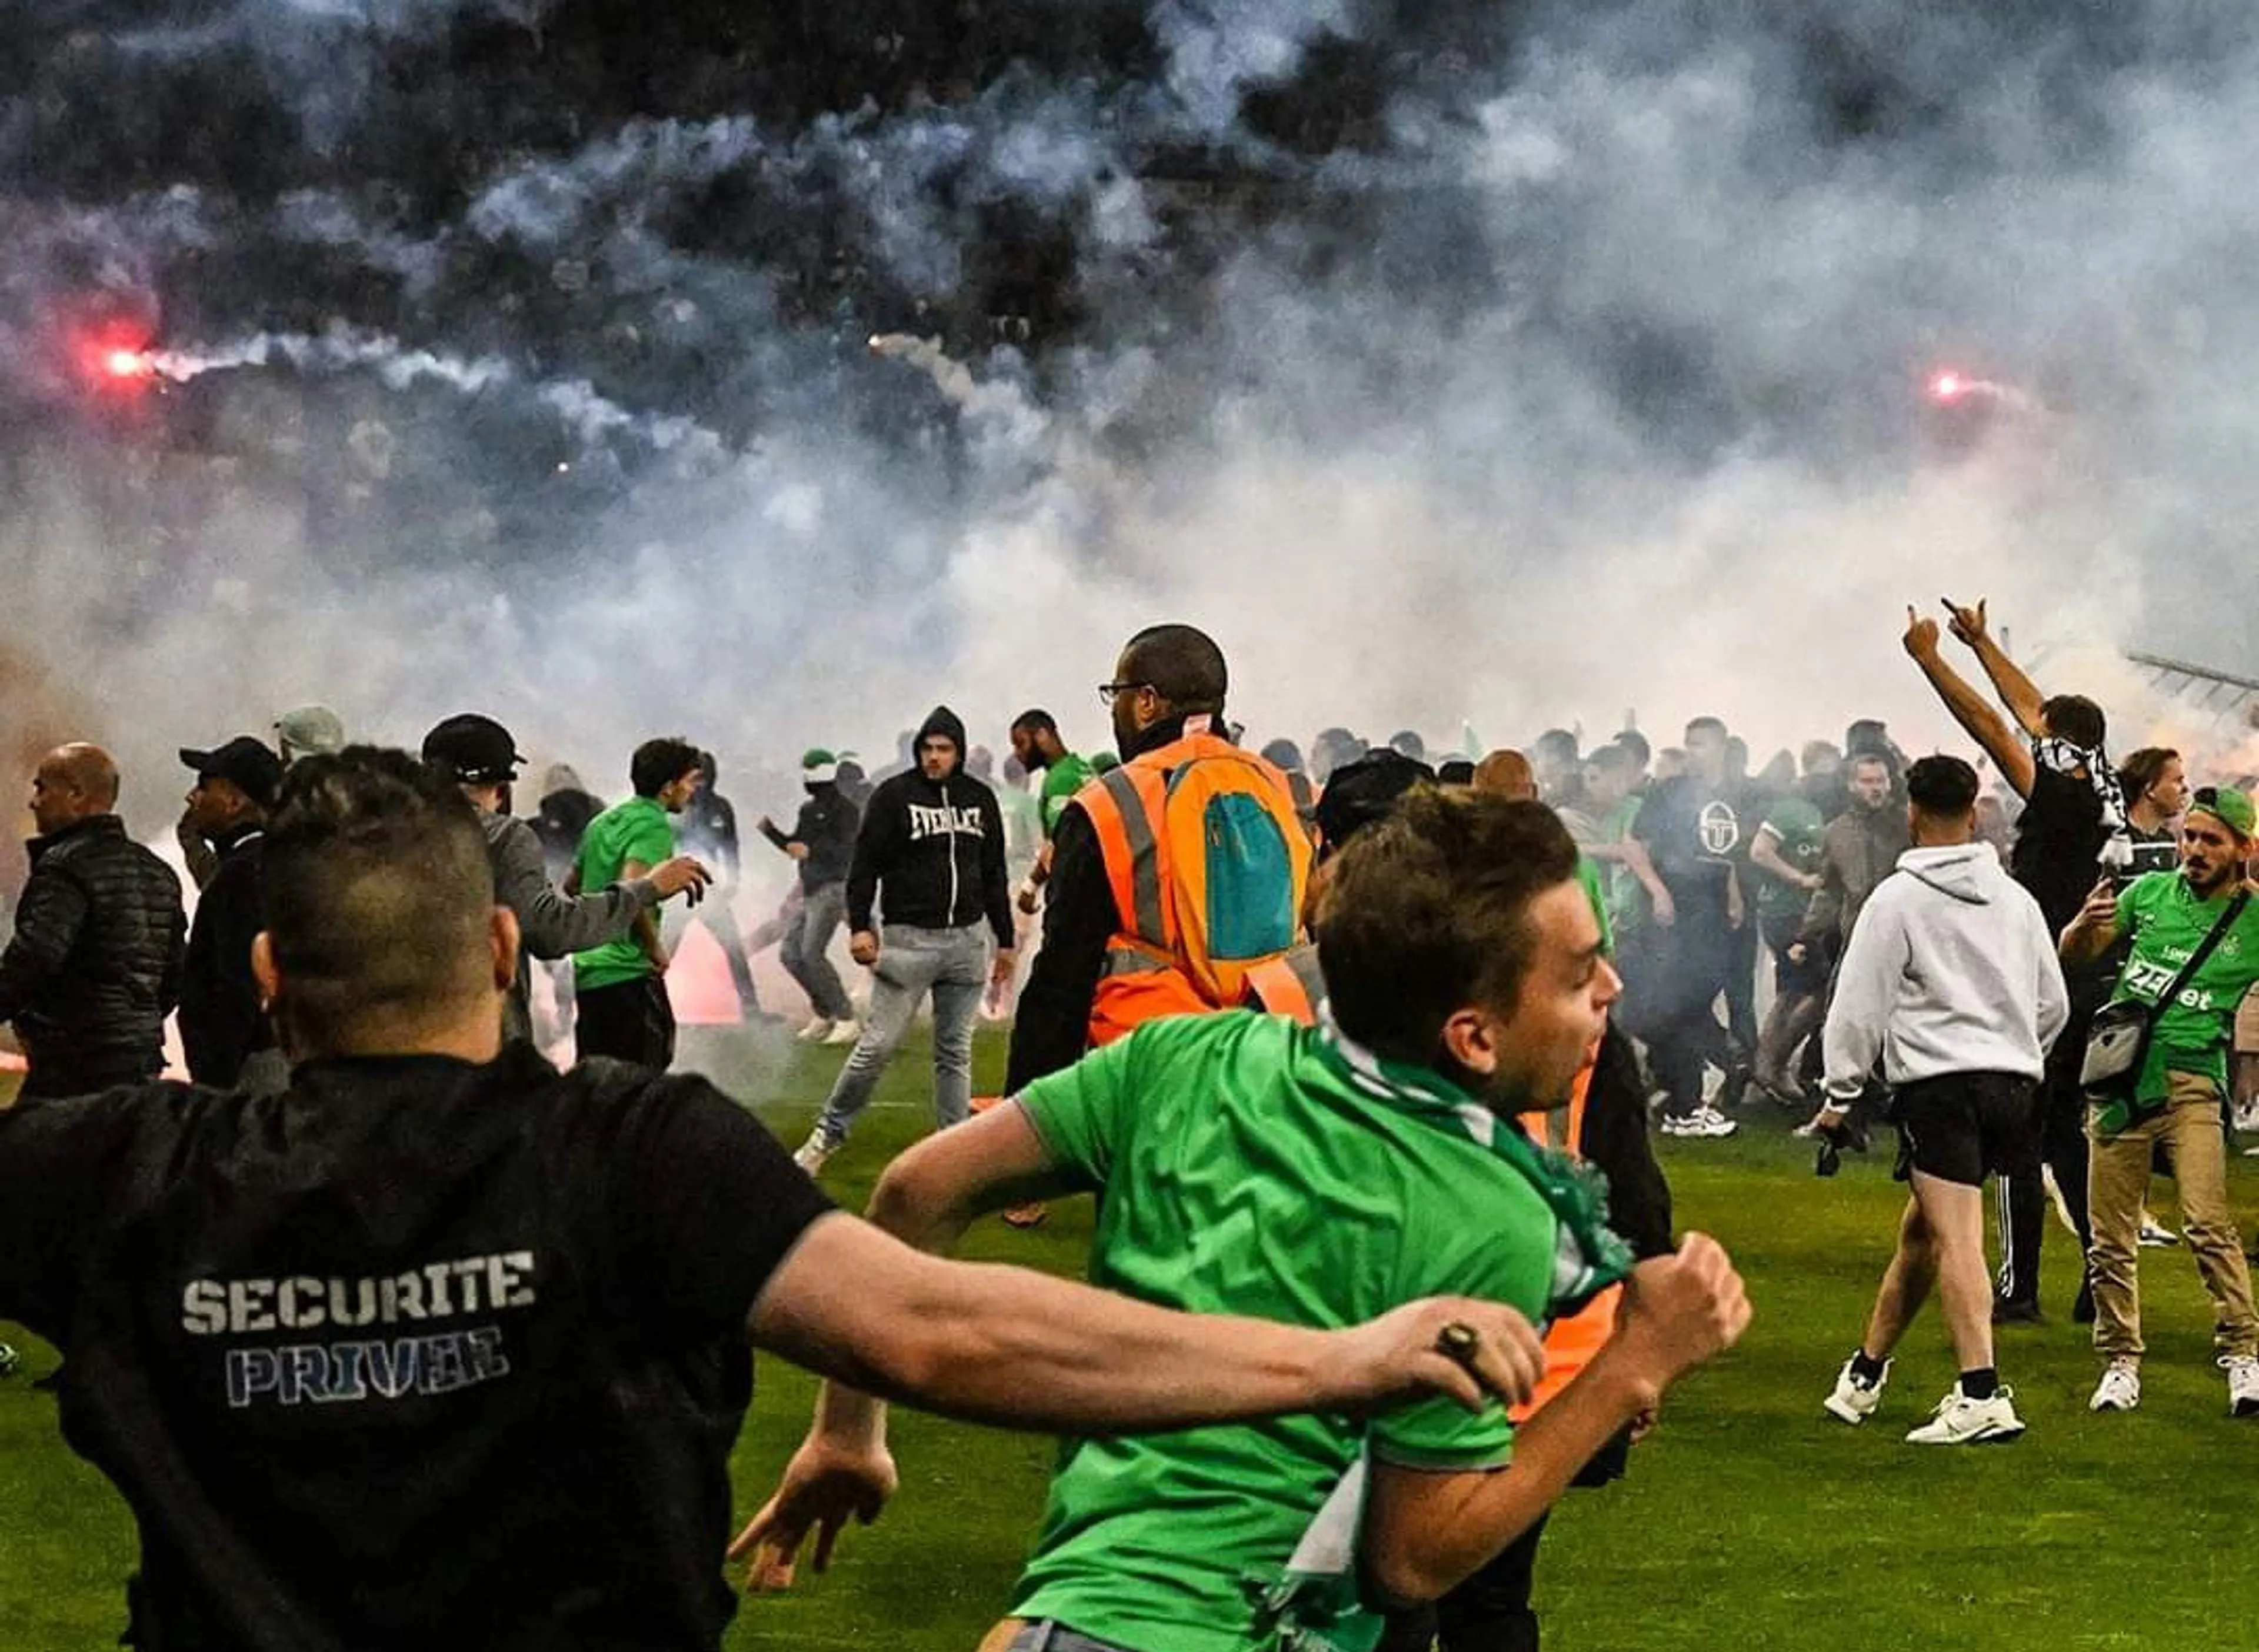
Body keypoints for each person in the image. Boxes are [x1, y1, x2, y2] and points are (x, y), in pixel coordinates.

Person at [0, 746, 1563, 1651]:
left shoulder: (113, 1169)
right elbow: (939, 1330)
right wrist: (1348, 1358)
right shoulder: (630, 1151)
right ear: (496, 952)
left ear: (268, 976)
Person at [742, 789, 1748, 1652]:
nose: (1613, 987)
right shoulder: (1490, 1208)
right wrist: (1632, 1362)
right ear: (1473, 1035)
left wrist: (846, 1431)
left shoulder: (1184, 1057)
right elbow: (1413, 1555)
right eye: (1578, 973)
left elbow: (917, 1187)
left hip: (1068, 1620)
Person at [1814, 756, 2068, 1444]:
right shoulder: (2016, 900)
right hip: (2013, 1085)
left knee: (1954, 1239)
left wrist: (1839, 1096)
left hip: (1942, 1087)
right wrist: (2016, 1052)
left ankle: (1981, 1392)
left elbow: (1856, 1007)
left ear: (1910, 812)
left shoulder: (1897, 899)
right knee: (1923, 1235)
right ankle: (1865, 1375)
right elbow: (2054, 1003)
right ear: (1977, 814)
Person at [1906, 601, 2125, 1323]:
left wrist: (1933, 662)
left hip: (2042, 965)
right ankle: (2100, 1272)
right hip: (2090, 967)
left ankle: (2018, 1287)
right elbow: (2031, 707)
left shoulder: (2057, 785)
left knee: (2021, 1132)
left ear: (2055, 741)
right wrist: (1979, 644)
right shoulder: (2101, 775)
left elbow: (1997, 727)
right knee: (2066, 1132)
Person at [1005, 625, 1308, 1096]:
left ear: (1146, 701)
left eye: (1116, 695)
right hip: (1269, 1067)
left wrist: (1026, 1120)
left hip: (1151, 1078)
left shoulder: (1110, 802)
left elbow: (1060, 988)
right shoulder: (1286, 790)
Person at [2059, 785, 2259, 1418]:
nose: (2194, 850)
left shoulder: (2254, 920)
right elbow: (2075, 955)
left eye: (2210, 840)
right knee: (2109, 1235)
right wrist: (2079, 929)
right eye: (2190, 836)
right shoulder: (2147, 893)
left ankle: (2244, 1354)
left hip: (2196, 1084)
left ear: (2244, 849)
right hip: (2123, 1081)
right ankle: (2119, 1359)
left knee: (2206, 1221)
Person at [794, 707, 1015, 1173]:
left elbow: (993, 871)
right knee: (877, 1045)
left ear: (958, 751)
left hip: (968, 940)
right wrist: (859, 926)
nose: (935, 758)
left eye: (944, 749)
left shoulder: (980, 798)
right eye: (928, 749)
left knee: (954, 1052)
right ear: (918, 751)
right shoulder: (894, 797)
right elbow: (865, 866)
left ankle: (952, 1152)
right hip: (907, 940)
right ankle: (826, 1135)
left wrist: (1006, 941)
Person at [421, 716, 709, 1049]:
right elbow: (547, 930)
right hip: (477, 1048)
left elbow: (572, 885)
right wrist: (649, 889)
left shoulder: (380, 837)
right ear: (500, 786)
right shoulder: (503, 837)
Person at [0, 744, 184, 1101]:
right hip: (142, 1065)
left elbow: (34, 961)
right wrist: (135, 1027)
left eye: (42, 788)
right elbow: (174, 975)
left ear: (76, 795)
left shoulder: (64, 867)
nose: (33, 802)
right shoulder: (158, 873)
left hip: (73, 1067)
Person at [1632, 716, 1747, 1138]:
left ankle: (1678, 1089)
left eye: (1699, 743)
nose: (1691, 750)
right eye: (1688, 742)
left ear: (1721, 747)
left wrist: (1733, 894)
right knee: (1679, 1003)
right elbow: (1634, 845)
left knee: (1695, 1001)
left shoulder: (1726, 795)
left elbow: (1725, 852)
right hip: (1677, 915)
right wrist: (1658, 891)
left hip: (1712, 915)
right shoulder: (1667, 793)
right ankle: (1686, 1102)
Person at [572, 737, 708, 1069]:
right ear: (668, 787)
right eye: (689, 782)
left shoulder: (602, 822)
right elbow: (632, 889)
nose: (692, 791)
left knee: (596, 1083)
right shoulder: (654, 827)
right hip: (626, 971)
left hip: (588, 970)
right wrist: (653, 948)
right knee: (643, 1081)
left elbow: (572, 885)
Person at [175, 736, 286, 1092]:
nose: (192, 798)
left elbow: (239, 986)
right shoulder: (276, 862)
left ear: (235, 801)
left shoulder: (242, 874)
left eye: (204, 786)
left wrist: (215, 1077)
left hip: (249, 1071)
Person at [757, 748, 863, 1043]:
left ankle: (846, 1017)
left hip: (833, 889)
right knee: (790, 954)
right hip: (811, 890)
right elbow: (796, 846)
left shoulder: (846, 811)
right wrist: (772, 833)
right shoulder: (808, 810)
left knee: (812, 954)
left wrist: (812, 852)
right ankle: (825, 1012)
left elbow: (847, 852)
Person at [1746, 765, 1832, 1102]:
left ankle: (1767, 1067)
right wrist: (1799, 879)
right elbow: (1759, 851)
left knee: (1791, 990)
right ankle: (1774, 1063)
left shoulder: (1828, 813)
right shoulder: (1790, 810)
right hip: (1785, 912)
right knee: (1819, 989)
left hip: (1808, 914)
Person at [1005, 709, 1095, 915]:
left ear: (1042, 735)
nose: (1017, 754)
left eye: (1021, 744)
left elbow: (1062, 846)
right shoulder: (1084, 770)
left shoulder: (1059, 781)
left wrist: (1030, 888)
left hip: (1075, 902)